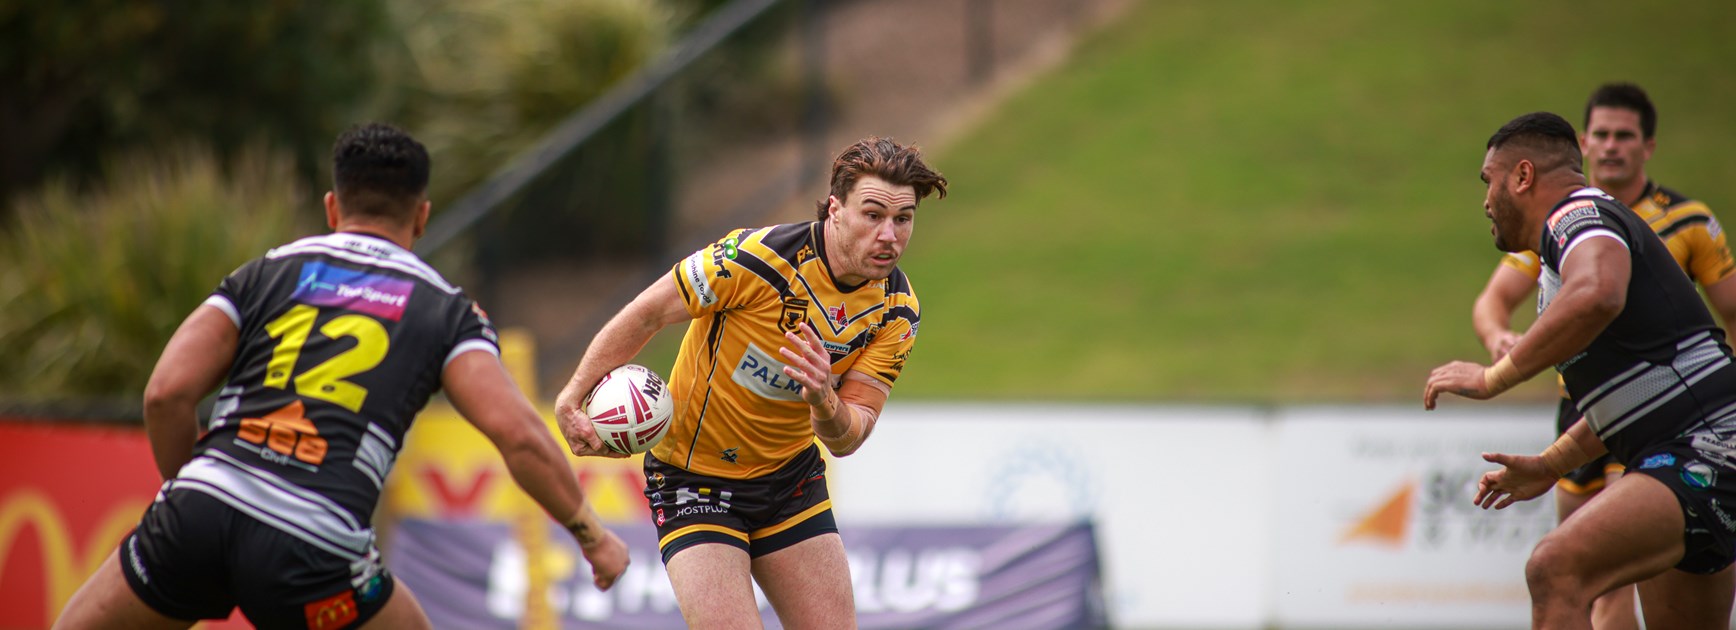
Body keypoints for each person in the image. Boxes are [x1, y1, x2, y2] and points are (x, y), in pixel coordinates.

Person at [53, 123, 629, 630]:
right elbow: (519, 436)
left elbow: (165, 394)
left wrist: (194, 500)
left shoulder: (265, 272)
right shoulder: (443, 310)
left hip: (201, 504)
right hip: (314, 541)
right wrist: (592, 536)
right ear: (421, 216)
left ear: (332, 207)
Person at [554, 136, 946, 628]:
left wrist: (823, 399)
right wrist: (573, 395)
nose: (889, 234)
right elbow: (648, 313)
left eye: (903, 219)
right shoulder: (752, 258)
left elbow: (849, 437)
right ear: (835, 210)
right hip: (693, 481)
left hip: (789, 481)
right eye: (873, 215)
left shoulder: (896, 311)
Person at [1426, 111, 1736, 629]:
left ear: (1523, 176)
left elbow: (1597, 293)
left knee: (1555, 568)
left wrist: (1492, 378)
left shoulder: (1575, 214)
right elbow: (1640, 392)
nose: (1485, 201)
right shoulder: (1565, 250)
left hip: (1705, 446)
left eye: (1488, 181)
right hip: (1687, 450)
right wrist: (1550, 464)